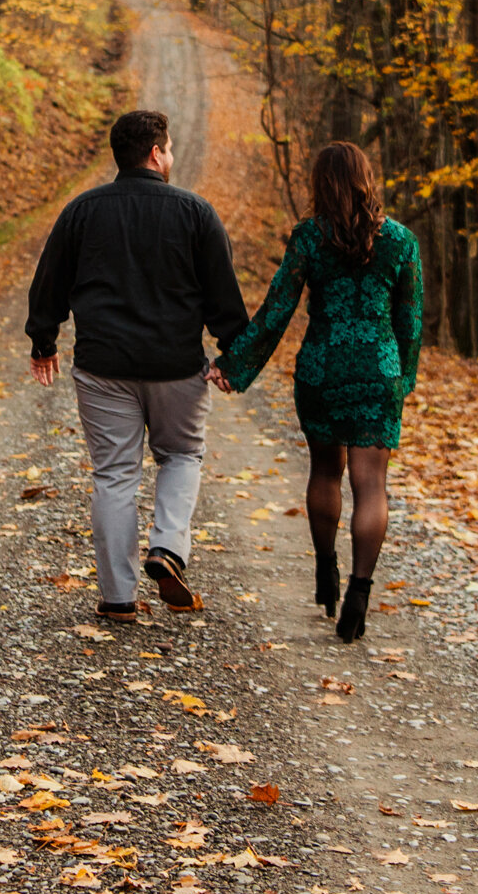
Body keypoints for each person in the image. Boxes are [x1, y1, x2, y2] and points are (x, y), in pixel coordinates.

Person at [27, 109, 250, 623]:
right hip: (176, 367)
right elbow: (223, 297)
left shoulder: (81, 212)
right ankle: (168, 547)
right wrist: (233, 356)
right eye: (169, 149)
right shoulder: (196, 213)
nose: (170, 157)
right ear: (155, 153)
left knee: (114, 474)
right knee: (182, 456)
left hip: (104, 367)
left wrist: (44, 341)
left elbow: (50, 282)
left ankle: (118, 598)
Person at [214, 141, 422, 642]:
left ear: (320, 183)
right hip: (378, 370)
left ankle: (325, 570)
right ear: (366, 180)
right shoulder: (399, 240)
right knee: (371, 484)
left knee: (325, 470)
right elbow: (410, 320)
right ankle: (359, 591)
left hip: (322, 369)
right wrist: (404, 380)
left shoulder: (308, 238)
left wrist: (234, 365)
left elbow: (277, 309)